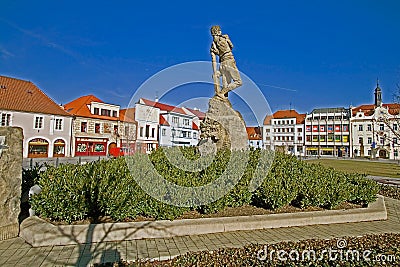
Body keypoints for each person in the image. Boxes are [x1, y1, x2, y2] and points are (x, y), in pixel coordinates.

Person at [210, 25, 242, 98]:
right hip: (229, 61)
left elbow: (213, 60)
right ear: (219, 32)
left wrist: (215, 72)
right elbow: (232, 46)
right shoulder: (224, 38)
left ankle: (223, 97)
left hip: (222, 63)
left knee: (225, 84)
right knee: (238, 82)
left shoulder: (213, 45)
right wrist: (228, 39)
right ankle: (222, 92)